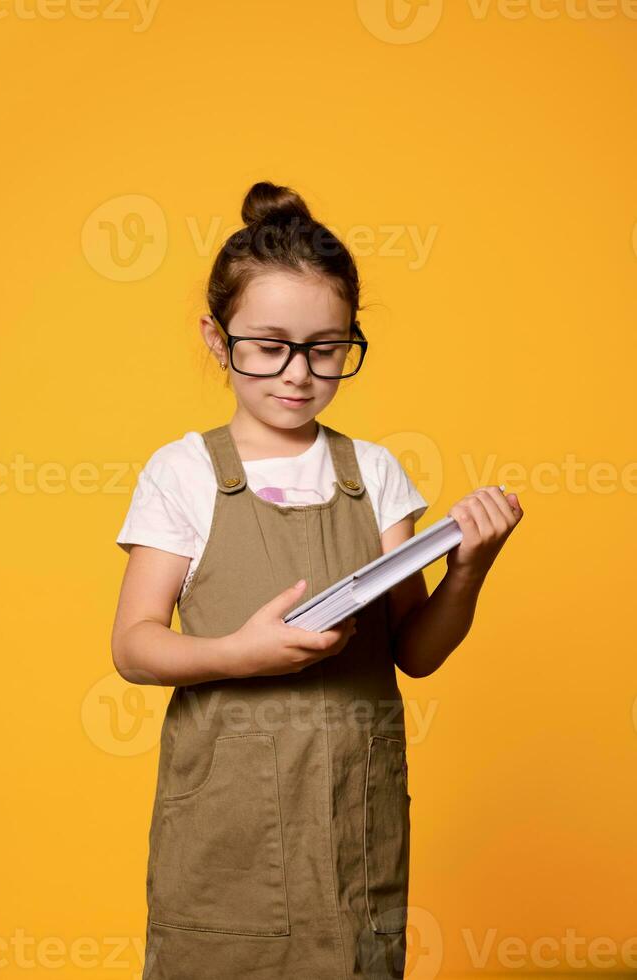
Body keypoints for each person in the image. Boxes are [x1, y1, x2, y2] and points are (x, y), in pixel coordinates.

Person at [111, 180, 524, 980]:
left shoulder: (374, 473)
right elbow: (133, 646)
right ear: (215, 335)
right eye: (269, 346)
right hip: (227, 830)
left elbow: (416, 652)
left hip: (351, 827)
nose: (298, 374)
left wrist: (470, 567)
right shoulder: (183, 473)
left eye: (326, 348)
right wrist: (239, 655)